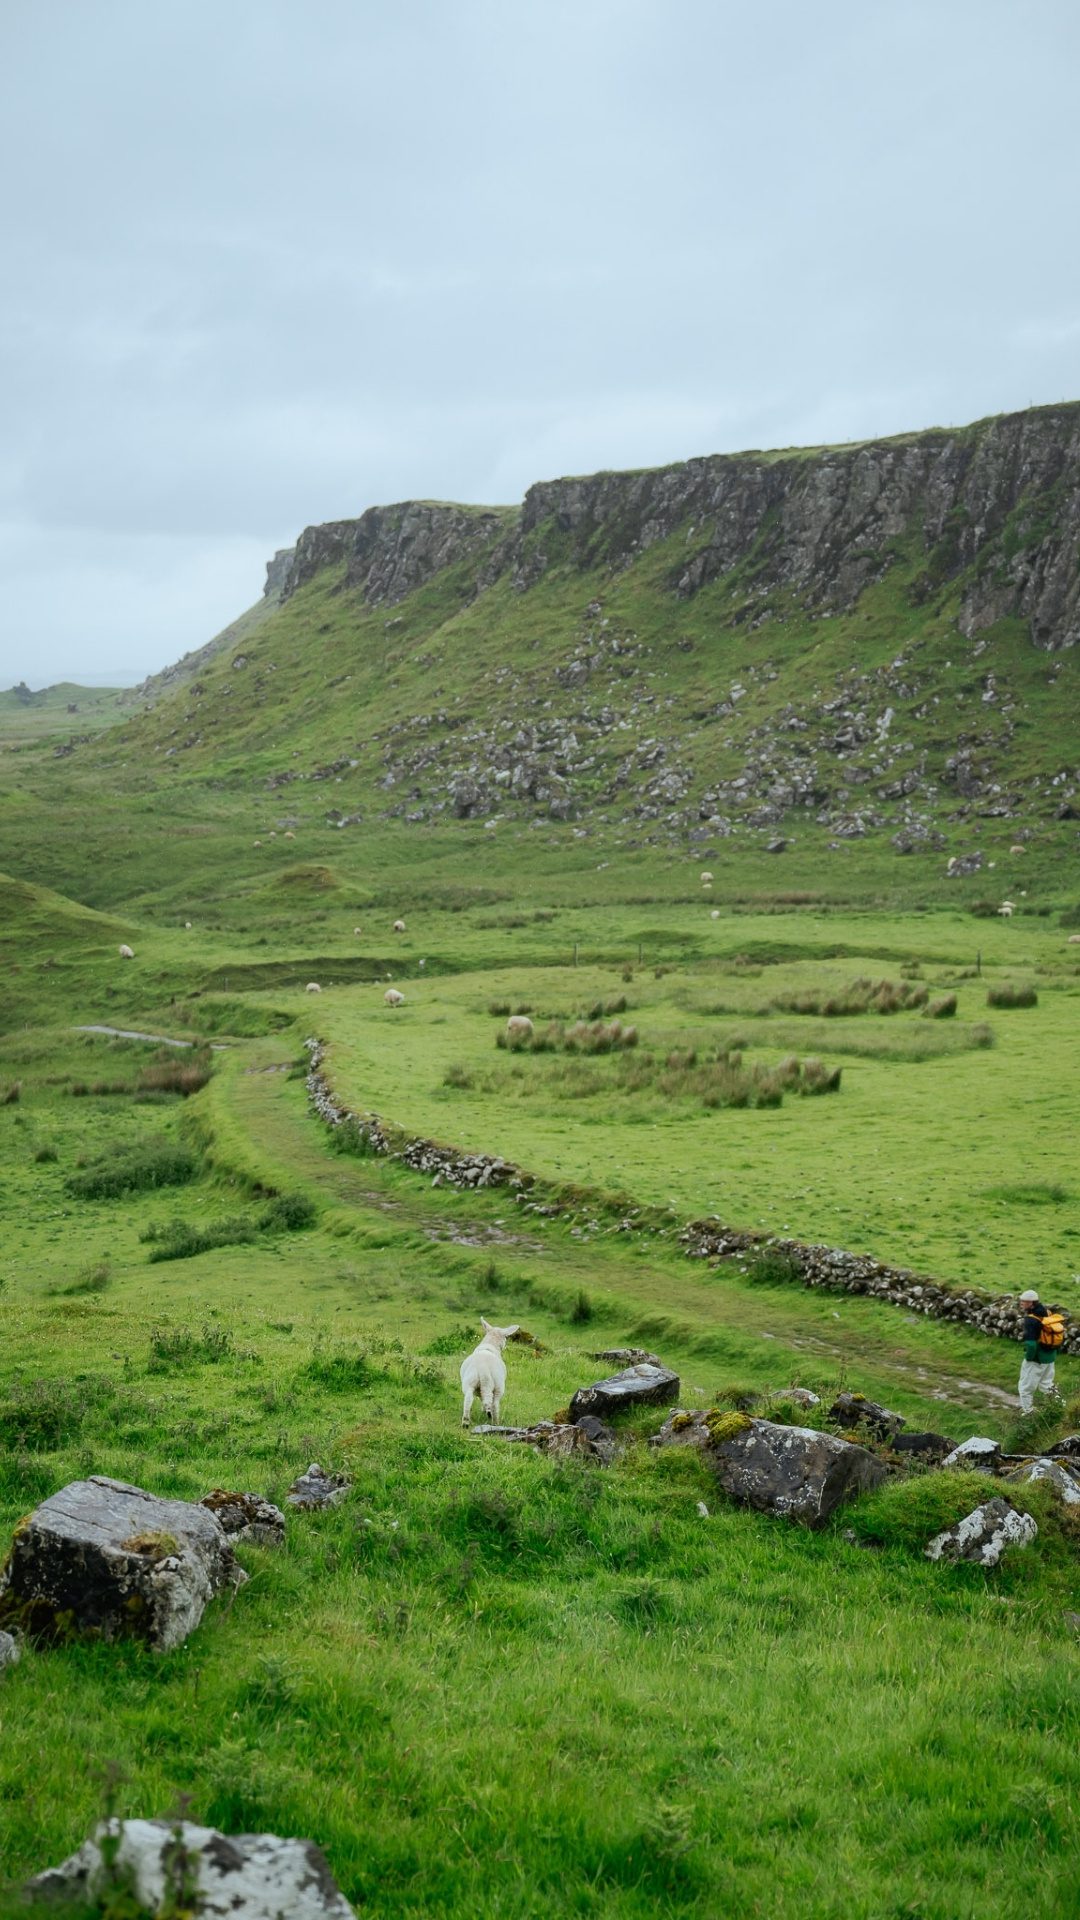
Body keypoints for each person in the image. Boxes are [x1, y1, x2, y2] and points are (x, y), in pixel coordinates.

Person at [1017, 1288, 1063, 1414]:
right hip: (1050, 1357)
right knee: (1046, 1384)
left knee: (1025, 1388)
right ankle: (1061, 1406)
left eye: (1024, 1302)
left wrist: (1028, 1358)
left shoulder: (1031, 1319)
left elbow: (1031, 1344)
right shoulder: (1047, 1313)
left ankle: (1028, 1414)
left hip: (1036, 1359)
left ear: (1031, 1303)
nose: (1021, 1303)